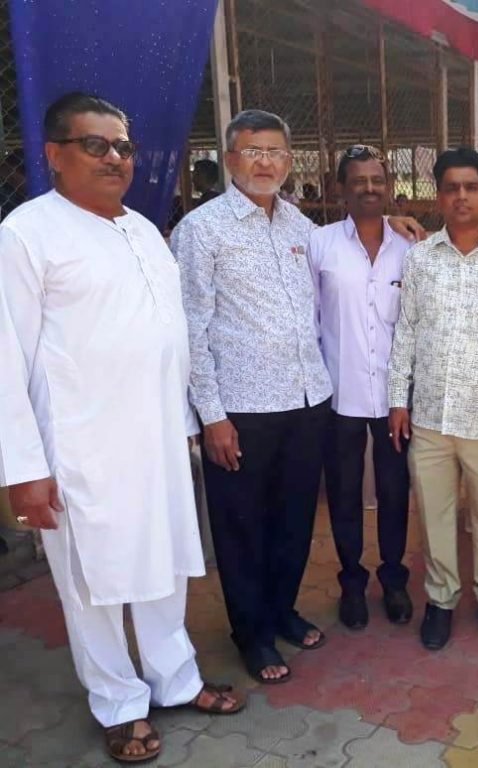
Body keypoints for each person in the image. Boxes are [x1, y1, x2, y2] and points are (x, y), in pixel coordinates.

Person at [0, 92, 242, 765]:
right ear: (54, 155)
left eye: (123, 146)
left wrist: (185, 422)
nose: (114, 157)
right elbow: (5, 359)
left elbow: (166, 337)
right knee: (94, 585)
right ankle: (118, 704)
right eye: (95, 144)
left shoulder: (142, 230)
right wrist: (24, 469)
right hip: (80, 449)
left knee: (163, 567)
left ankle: (176, 679)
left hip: (158, 440)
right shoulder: (26, 235)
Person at [172, 109, 333, 685]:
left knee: (294, 519)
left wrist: (394, 223)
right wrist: (211, 416)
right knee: (243, 525)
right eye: (252, 151)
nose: (265, 162)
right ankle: (252, 633)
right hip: (241, 409)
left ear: (289, 161)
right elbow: (190, 329)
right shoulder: (201, 230)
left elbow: (344, 260)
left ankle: (281, 609)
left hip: (307, 400)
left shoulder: (300, 227)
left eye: (275, 152)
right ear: (229, 159)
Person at [388, 147, 478, 651]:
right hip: (429, 416)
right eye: (451, 188)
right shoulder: (419, 258)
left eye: (471, 187)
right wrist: (398, 399)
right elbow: (406, 330)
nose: (461, 196)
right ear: (439, 196)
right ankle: (441, 599)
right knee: (435, 514)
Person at [309, 144, 413, 631]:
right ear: (341, 190)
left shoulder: (410, 248)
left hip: (395, 401)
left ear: (388, 187)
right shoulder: (320, 245)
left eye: (377, 180)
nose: (369, 188)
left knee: (394, 491)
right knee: (345, 494)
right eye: (359, 181)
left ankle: (393, 579)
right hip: (339, 395)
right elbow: (309, 319)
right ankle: (351, 581)